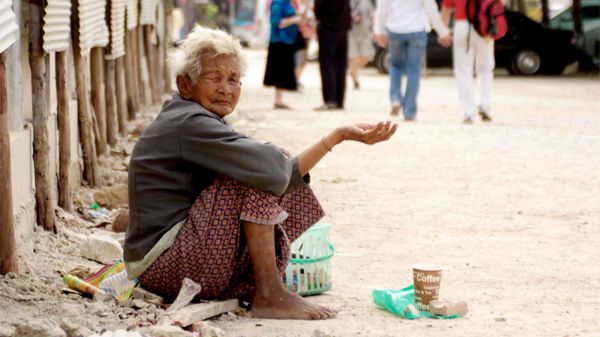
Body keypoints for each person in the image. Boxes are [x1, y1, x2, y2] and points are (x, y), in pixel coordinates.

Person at [124, 26, 398, 320]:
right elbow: (270, 171)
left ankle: (264, 288)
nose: (225, 89)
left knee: (265, 171)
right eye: (214, 78)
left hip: (171, 261)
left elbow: (285, 174)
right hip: (164, 265)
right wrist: (271, 160)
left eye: (233, 80)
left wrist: (338, 136)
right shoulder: (189, 122)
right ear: (185, 85)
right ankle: (269, 293)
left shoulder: (195, 117)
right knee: (255, 175)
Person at [374, 0, 452, 120]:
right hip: (416, 30)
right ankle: (409, 110)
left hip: (395, 29)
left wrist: (380, 31)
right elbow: (431, 9)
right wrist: (442, 32)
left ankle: (395, 99)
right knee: (414, 69)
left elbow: (382, 9)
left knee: (395, 66)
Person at [441, 0, 494, 124]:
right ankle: (485, 105)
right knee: (485, 67)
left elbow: (446, 9)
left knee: (463, 70)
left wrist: (443, 31)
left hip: (462, 24)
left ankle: (468, 112)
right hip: (484, 25)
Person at [263, 0, 303, 109]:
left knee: (283, 71)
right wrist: (294, 19)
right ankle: (277, 100)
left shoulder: (289, 3)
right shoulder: (277, 3)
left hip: (288, 41)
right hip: (279, 41)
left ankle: (279, 100)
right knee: (279, 71)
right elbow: (276, 22)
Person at [313, 0, 351, 111]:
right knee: (341, 65)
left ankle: (330, 100)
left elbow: (319, 10)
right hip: (342, 28)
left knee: (327, 64)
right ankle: (339, 100)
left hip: (328, 26)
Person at [348, 0, 376, 90]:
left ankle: (354, 71)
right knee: (353, 57)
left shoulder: (366, 2)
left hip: (365, 33)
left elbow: (372, 16)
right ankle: (355, 80)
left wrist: (374, 31)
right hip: (351, 33)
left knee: (366, 56)